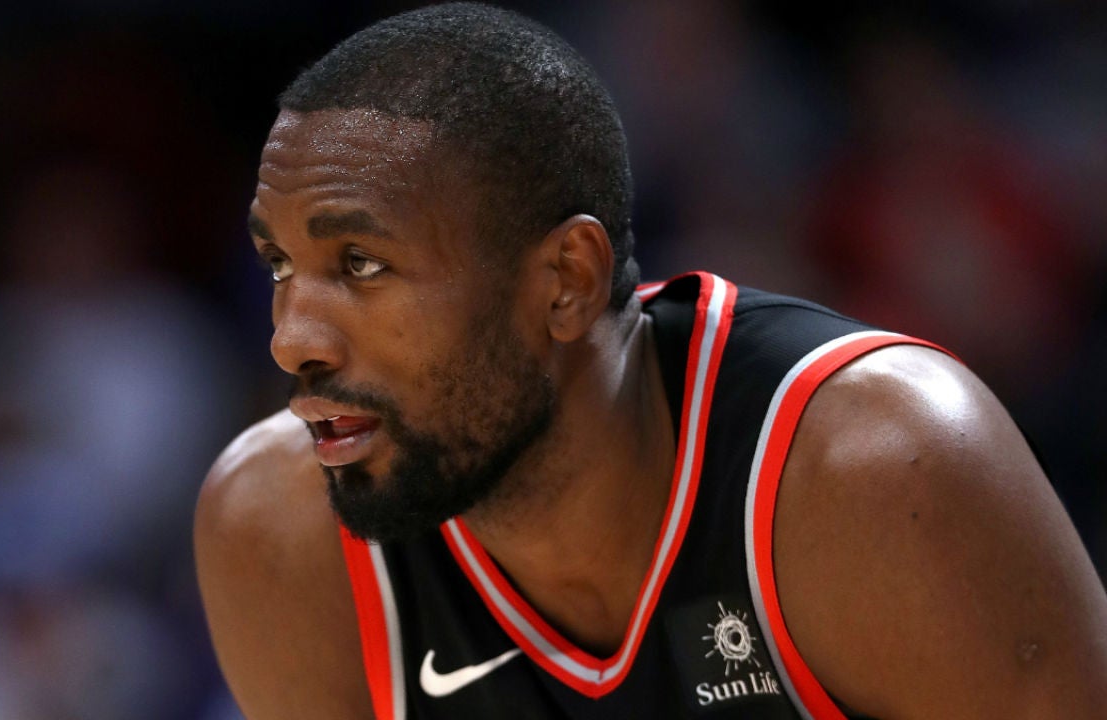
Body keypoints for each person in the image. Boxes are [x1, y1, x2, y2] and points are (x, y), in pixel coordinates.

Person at [194, 4, 1107, 718]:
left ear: (566, 280)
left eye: (361, 263)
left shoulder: (879, 474)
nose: (291, 338)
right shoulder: (278, 532)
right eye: (279, 265)